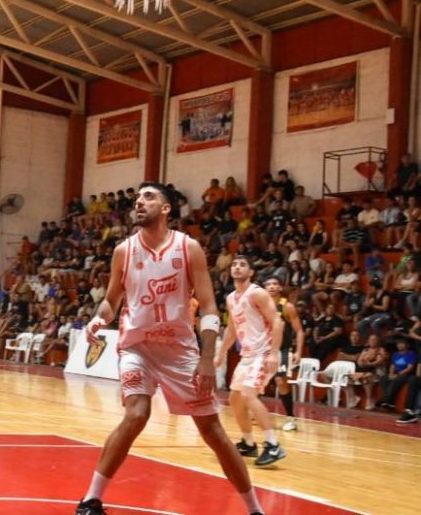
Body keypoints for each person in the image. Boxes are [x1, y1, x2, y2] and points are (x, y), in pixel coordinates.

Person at [76, 183, 265, 515]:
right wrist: (98, 319)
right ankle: (91, 501)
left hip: (180, 350)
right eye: (137, 198)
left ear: (166, 209)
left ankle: (254, 510)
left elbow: (209, 307)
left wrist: (206, 358)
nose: (139, 202)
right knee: (137, 414)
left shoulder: (188, 248)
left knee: (212, 431)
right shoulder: (124, 250)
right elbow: (111, 299)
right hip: (137, 346)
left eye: (148, 197)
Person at [215, 257, 286, 466]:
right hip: (247, 356)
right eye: (234, 265)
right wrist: (221, 353)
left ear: (251, 272)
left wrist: (274, 353)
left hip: (263, 352)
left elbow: (277, 322)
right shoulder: (231, 298)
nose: (237, 267)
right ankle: (248, 443)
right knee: (235, 399)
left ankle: (273, 445)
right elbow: (232, 328)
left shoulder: (257, 293)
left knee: (248, 394)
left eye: (242, 265)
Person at [263, 277, 303, 431]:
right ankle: (256, 413)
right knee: (256, 382)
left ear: (280, 288)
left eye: (275, 284)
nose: (271, 286)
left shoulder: (287, 307)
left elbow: (299, 331)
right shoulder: (261, 306)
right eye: (268, 284)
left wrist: (298, 351)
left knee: (281, 381)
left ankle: (291, 418)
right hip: (264, 349)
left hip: (282, 350)